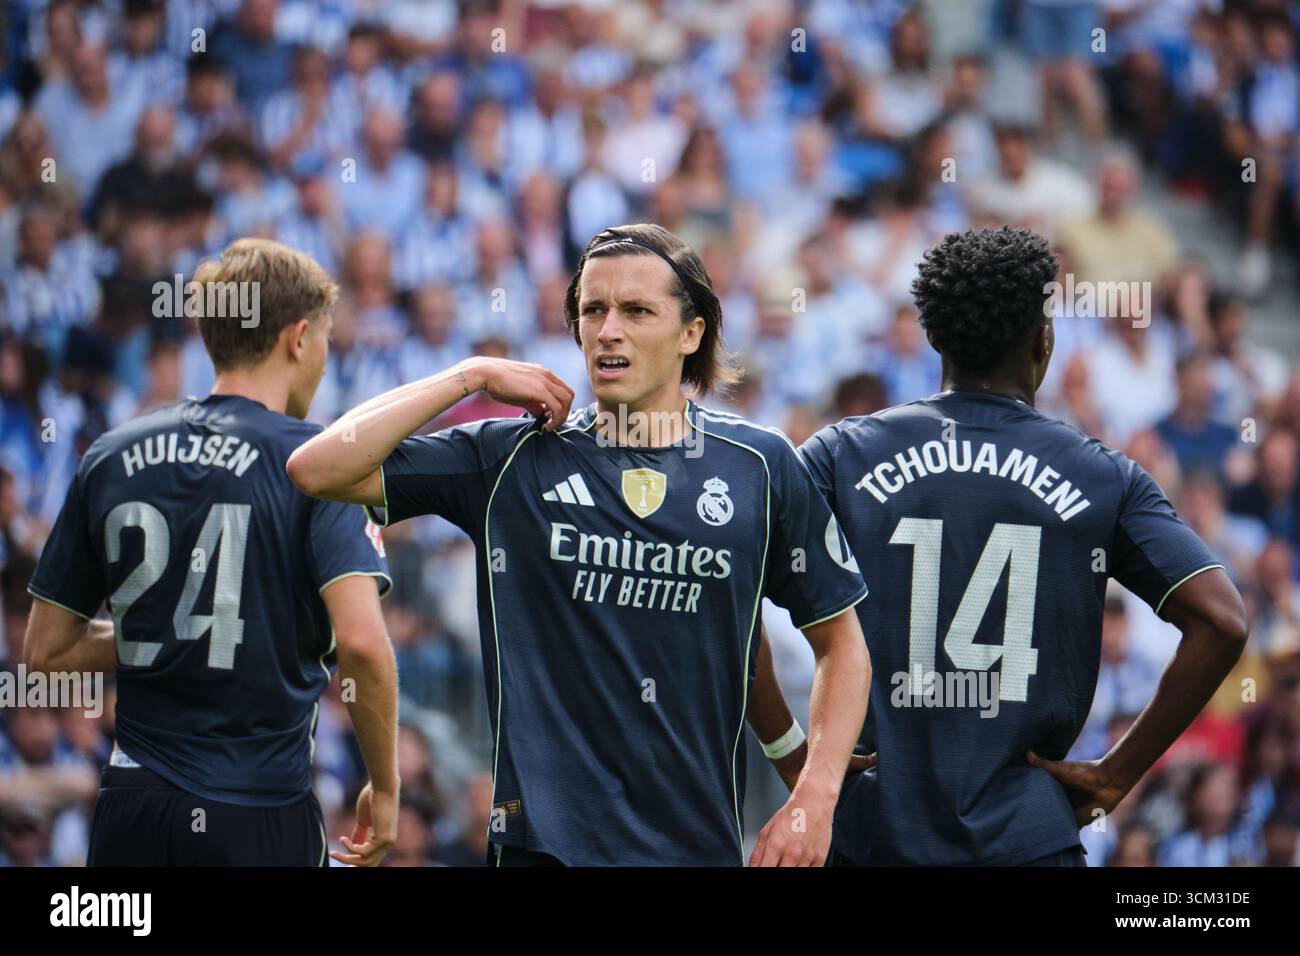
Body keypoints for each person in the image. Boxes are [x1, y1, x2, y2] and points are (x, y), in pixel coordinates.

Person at [287, 223, 871, 866]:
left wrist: (810, 785)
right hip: (543, 849)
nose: (608, 329)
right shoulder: (510, 461)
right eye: (593, 310)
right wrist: (468, 376)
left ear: (691, 333)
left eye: (636, 310)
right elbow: (317, 468)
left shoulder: (759, 466)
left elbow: (832, 640)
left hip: (695, 847)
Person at [797, 226, 1247, 866]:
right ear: (1044, 338)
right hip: (1026, 839)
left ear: (934, 337)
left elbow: (738, 579)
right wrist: (1116, 773)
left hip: (875, 831)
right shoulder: (1102, 476)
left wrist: (791, 749)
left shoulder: (841, 454)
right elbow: (1222, 619)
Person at [22, 239, 400, 867]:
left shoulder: (111, 454)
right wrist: (385, 788)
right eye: (327, 341)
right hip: (256, 810)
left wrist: (171, 629)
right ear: (299, 338)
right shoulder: (321, 464)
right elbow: (361, 643)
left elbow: (45, 654)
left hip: (130, 807)